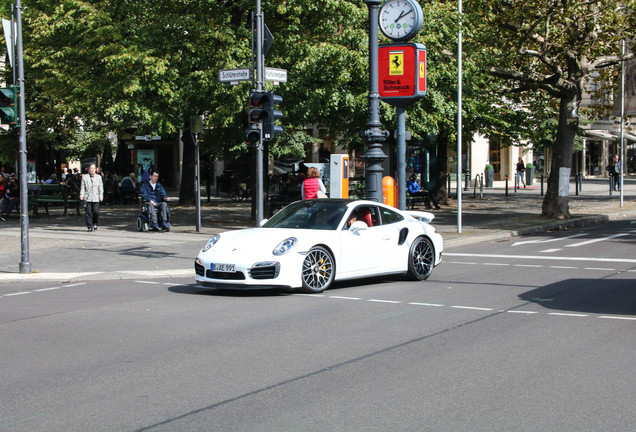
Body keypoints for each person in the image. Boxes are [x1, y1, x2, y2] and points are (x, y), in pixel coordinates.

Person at [80, 163, 104, 232]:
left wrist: (101, 196)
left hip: (96, 197)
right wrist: (81, 195)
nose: (93, 170)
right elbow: (83, 187)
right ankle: (89, 226)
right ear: (88, 170)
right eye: (91, 168)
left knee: (96, 212)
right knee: (88, 213)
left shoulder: (98, 177)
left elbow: (100, 187)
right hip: (88, 197)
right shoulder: (84, 177)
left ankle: (95, 223)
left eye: (94, 168)